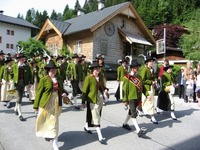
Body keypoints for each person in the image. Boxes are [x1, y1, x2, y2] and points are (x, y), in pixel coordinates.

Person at [33, 60, 68, 150]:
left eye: (55, 69)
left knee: (54, 121)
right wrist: (36, 106)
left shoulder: (59, 78)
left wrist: (64, 94)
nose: (54, 71)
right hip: (47, 103)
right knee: (48, 120)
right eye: (52, 69)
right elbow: (39, 93)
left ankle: (54, 142)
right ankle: (51, 137)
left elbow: (62, 89)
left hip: (57, 102)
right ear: (48, 70)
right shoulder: (44, 79)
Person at [82, 61, 108, 144]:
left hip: (100, 98)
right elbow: (84, 91)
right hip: (92, 99)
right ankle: (100, 137)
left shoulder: (100, 77)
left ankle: (86, 126)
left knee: (95, 114)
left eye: (98, 69)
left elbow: (102, 86)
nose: (97, 70)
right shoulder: (88, 78)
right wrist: (83, 102)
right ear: (92, 70)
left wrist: (106, 89)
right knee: (96, 117)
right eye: (96, 69)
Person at [122, 60, 146, 137]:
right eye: (136, 67)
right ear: (132, 68)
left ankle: (124, 124)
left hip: (138, 97)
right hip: (131, 98)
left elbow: (142, 87)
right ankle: (138, 130)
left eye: (138, 67)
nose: (138, 68)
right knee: (134, 113)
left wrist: (147, 94)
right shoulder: (127, 77)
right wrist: (125, 100)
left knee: (131, 112)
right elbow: (124, 90)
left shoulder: (139, 77)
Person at [12, 53, 32, 121]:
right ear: (19, 59)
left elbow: (30, 75)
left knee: (20, 97)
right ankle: (20, 114)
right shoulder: (14, 66)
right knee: (19, 99)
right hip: (17, 84)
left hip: (23, 83)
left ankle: (15, 108)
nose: (23, 60)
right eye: (22, 59)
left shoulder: (27, 66)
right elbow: (11, 74)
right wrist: (12, 80)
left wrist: (30, 82)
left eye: (24, 58)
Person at [139, 56, 158, 124]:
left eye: (152, 61)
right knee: (149, 102)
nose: (152, 62)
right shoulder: (144, 69)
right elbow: (142, 80)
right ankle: (152, 116)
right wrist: (151, 82)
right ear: (147, 62)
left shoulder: (152, 69)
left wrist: (155, 80)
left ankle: (141, 109)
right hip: (147, 88)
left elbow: (154, 76)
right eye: (150, 61)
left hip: (152, 87)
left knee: (150, 101)